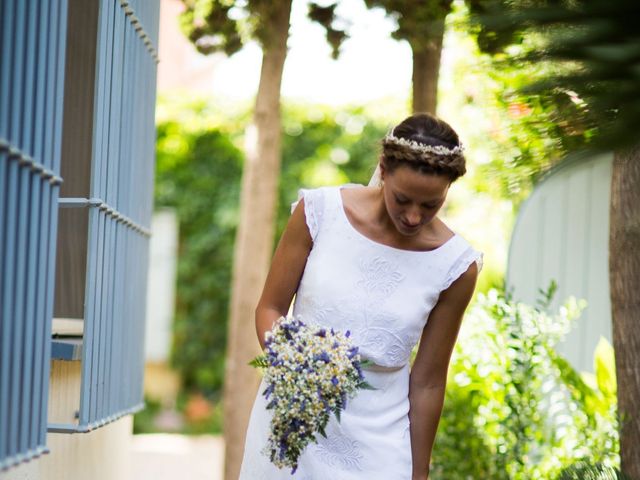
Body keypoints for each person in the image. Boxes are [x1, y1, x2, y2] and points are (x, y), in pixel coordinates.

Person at [239, 113, 483, 480]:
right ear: (383, 169)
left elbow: (429, 380)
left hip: (378, 441)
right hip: (294, 423)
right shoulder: (319, 212)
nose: (414, 217)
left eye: (431, 205)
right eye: (403, 200)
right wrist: (294, 368)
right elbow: (271, 307)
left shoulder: (455, 266)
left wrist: (419, 474)